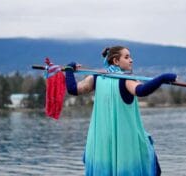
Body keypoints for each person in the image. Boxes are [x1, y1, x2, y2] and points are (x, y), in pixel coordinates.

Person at [65, 46, 177, 176]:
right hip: (126, 146)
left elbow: (73, 88)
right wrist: (162, 78)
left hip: (102, 145)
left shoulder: (96, 78)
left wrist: (69, 70)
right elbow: (141, 90)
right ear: (116, 61)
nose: (131, 60)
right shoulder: (125, 79)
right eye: (127, 57)